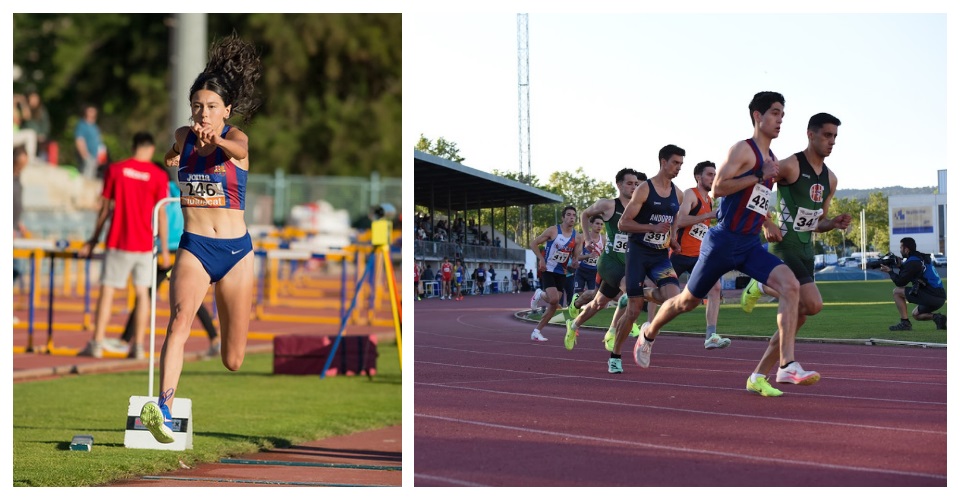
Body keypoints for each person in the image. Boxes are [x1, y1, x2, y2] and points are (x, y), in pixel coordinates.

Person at [633, 92, 819, 390]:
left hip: (748, 244)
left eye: (783, 114)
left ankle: (786, 365)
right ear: (758, 116)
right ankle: (649, 331)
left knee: (791, 285)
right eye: (774, 113)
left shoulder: (772, 159)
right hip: (721, 242)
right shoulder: (743, 151)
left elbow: (755, 200)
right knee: (687, 302)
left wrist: (767, 220)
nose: (780, 119)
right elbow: (718, 188)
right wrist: (759, 174)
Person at [138, 34, 263, 444]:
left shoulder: (237, 140)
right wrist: (172, 158)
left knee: (233, 359)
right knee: (178, 321)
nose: (203, 114)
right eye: (197, 106)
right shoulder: (182, 135)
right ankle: (164, 410)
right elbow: (170, 154)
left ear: (226, 110)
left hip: (236, 253)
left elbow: (239, 151)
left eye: (211, 107)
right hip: (195, 247)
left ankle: (177, 400)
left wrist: (219, 141)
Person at [739, 113, 852, 396]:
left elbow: (816, 222)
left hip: (806, 249)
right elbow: (756, 192)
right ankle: (761, 285)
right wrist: (766, 221)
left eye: (835, 137)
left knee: (798, 316)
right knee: (812, 304)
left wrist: (833, 223)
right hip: (785, 245)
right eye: (827, 135)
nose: (832, 142)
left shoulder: (831, 178)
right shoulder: (789, 165)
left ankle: (758, 375)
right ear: (810, 135)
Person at [78, 132, 170, 359]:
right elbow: (162, 215)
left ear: (134, 146)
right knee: (142, 294)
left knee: (108, 290)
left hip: (119, 240)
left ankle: (97, 342)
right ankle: (138, 345)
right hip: (145, 244)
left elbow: (105, 207)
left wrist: (93, 239)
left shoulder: (116, 170)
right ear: (150, 148)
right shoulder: (158, 175)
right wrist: (165, 250)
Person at [116, 165, 222, 357]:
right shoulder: (178, 189)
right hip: (181, 247)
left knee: (149, 295)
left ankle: (125, 339)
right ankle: (214, 338)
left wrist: (163, 248)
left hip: (171, 250)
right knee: (173, 296)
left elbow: (163, 218)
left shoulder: (162, 192)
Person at [604, 145, 685, 370]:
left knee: (673, 299)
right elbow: (623, 223)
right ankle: (615, 356)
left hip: (660, 256)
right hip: (639, 253)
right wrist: (652, 226)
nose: (679, 168)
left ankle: (644, 305)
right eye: (675, 163)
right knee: (632, 311)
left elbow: (674, 218)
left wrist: (674, 238)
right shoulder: (644, 189)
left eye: (681, 164)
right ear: (663, 162)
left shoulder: (678, 193)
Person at [564, 168, 645, 373]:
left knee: (598, 304)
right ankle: (614, 334)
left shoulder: (641, 207)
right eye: (629, 183)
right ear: (619, 184)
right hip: (609, 262)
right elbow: (585, 214)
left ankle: (573, 325)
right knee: (630, 292)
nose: (634, 187)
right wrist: (588, 238)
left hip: (627, 262)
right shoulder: (609, 205)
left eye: (636, 184)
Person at [671, 160, 731, 350]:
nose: (713, 178)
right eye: (709, 174)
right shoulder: (691, 194)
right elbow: (680, 221)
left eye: (714, 174)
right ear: (698, 177)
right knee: (662, 294)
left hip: (698, 256)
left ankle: (711, 335)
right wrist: (708, 215)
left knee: (715, 288)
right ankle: (635, 303)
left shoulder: (710, 200)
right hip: (678, 254)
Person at [529, 206, 580, 342]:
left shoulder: (577, 237)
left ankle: (536, 331)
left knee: (554, 305)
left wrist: (575, 262)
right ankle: (539, 294)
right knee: (554, 300)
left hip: (562, 272)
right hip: (548, 269)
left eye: (574, 215)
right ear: (563, 217)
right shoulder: (553, 230)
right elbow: (533, 243)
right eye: (568, 215)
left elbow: (575, 257)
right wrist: (541, 259)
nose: (571, 217)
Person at [881, 237, 946, 331]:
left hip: (932, 295)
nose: (900, 250)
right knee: (916, 314)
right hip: (940, 297)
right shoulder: (920, 258)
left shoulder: (913, 261)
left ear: (906, 249)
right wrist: (900, 267)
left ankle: (905, 323)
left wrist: (890, 271)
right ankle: (937, 318)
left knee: (897, 292)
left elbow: (900, 282)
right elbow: (912, 272)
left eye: (901, 248)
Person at [13, 146, 29, 290]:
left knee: (18, 267)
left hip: (15, 228)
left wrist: (19, 223)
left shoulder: (18, 179)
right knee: (15, 267)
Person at [74, 104, 104, 179]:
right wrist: (85, 155)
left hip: (95, 157)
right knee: (85, 176)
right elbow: (79, 140)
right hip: (88, 156)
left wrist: (101, 157)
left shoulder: (95, 127)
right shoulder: (82, 125)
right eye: (90, 111)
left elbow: (99, 142)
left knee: (92, 177)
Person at [23, 89, 51, 161]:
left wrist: (42, 134)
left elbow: (45, 124)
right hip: (28, 133)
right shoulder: (25, 108)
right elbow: (26, 118)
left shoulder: (41, 110)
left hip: (39, 135)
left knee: (42, 142)